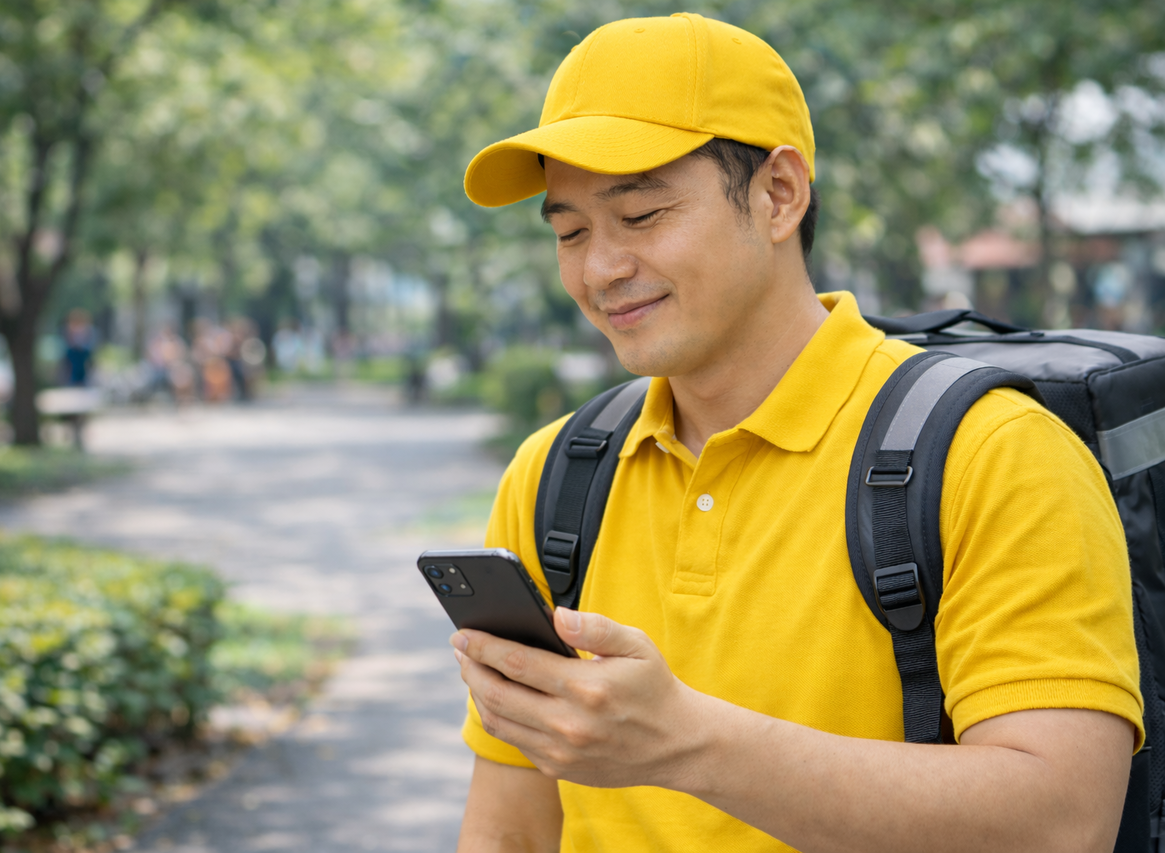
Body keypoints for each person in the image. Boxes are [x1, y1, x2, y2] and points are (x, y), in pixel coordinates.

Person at [451, 13, 1141, 853]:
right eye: (570, 232)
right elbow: (510, 831)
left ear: (780, 194)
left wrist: (686, 741)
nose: (600, 268)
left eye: (641, 215)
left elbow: (1063, 822)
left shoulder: (992, 453)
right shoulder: (557, 476)